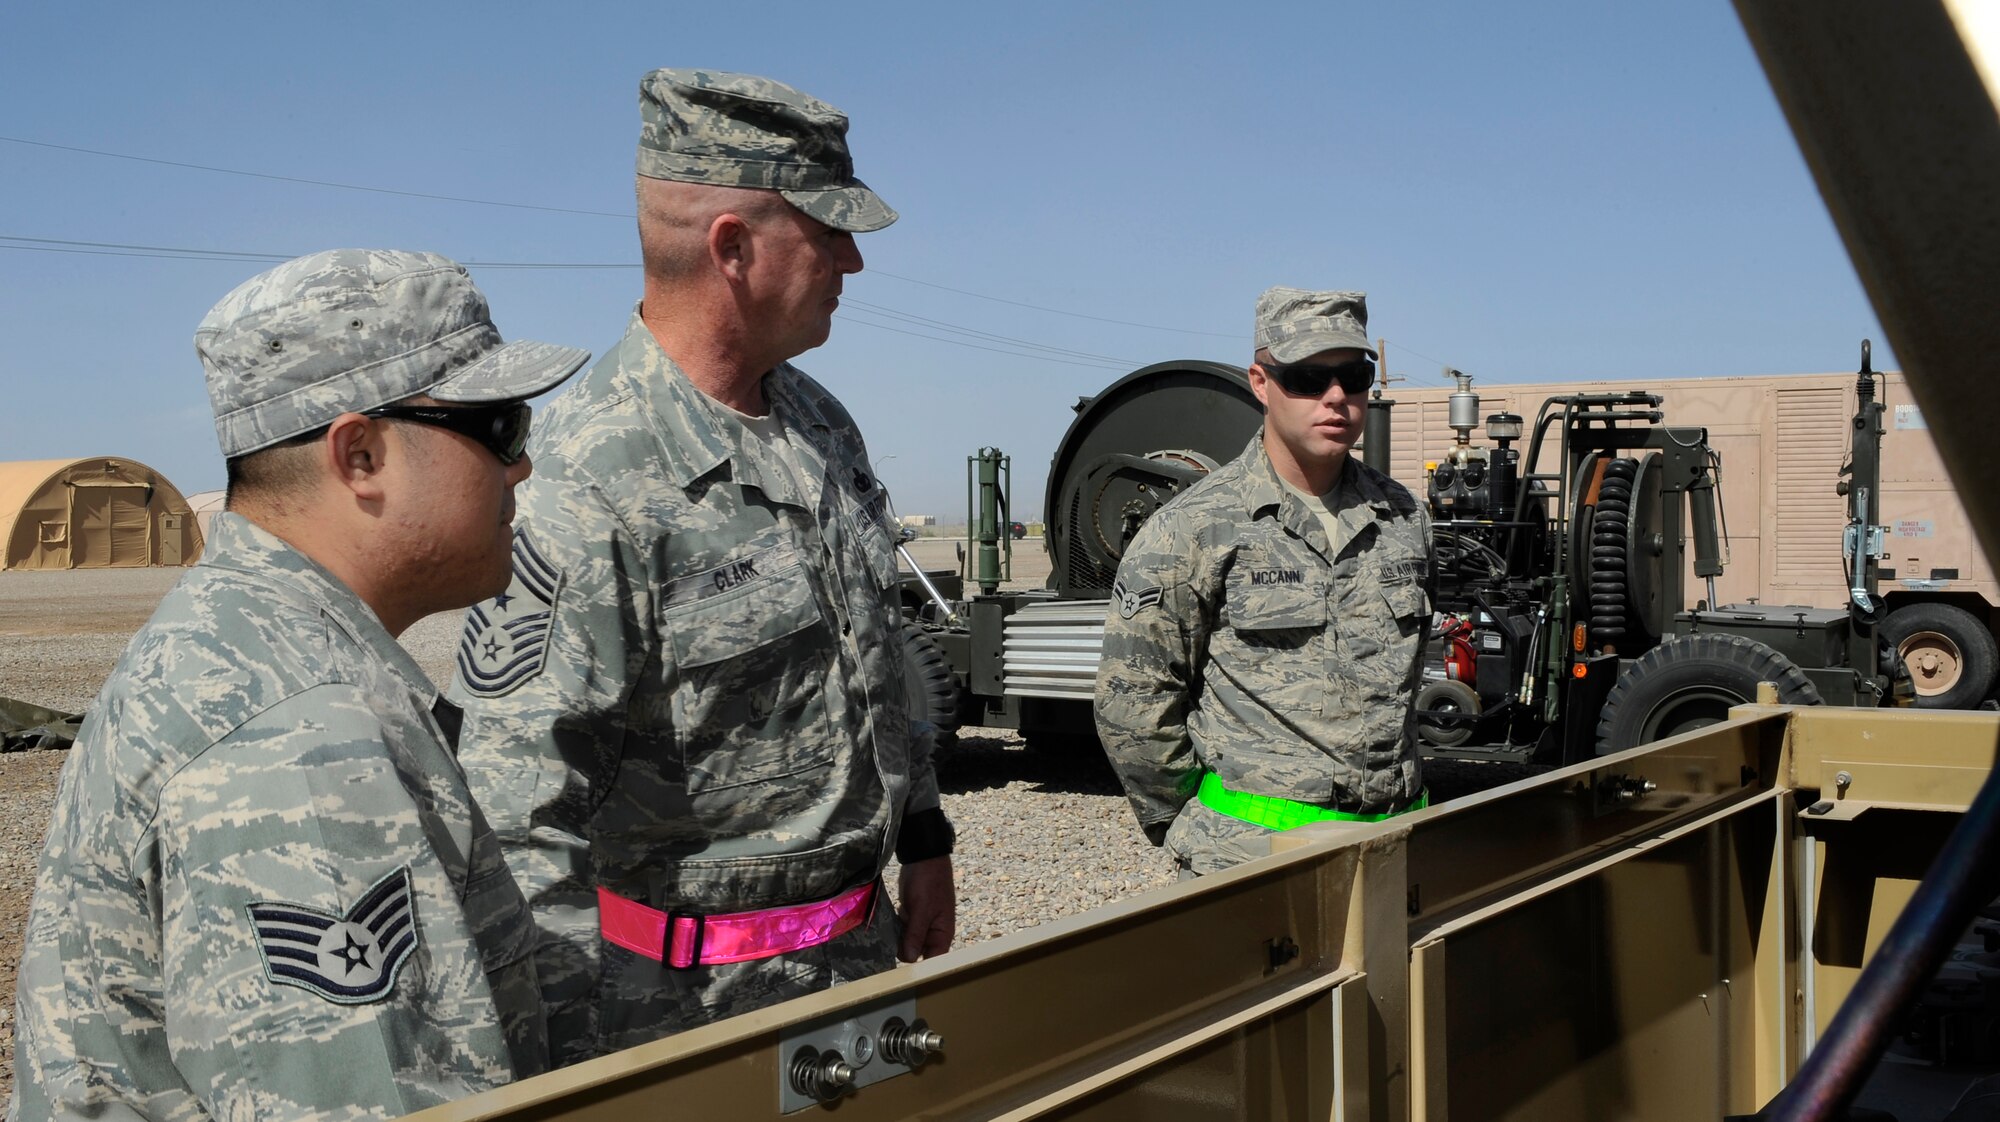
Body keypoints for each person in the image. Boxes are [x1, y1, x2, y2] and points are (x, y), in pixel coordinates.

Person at [446, 68, 955, 1063]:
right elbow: (511, 822)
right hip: (683, 1016)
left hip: (854, 971)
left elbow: (875, 654)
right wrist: (582, 1065)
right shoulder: (587, 478)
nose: (853, 260)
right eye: (829, 229)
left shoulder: (815, 419)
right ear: (733, 248)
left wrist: (924, 837)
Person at [10, 249, 589, 1121]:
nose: (522, 468)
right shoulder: (303, 737)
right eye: (499, 426)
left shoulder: (250, 643)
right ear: (359, 454)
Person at [1094, 287, 1432, 876]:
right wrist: (1191, 825)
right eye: (1305, 378)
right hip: (1251, 862)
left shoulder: (1403, 517)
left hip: (1396, 851)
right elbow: (1134, 703)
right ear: (1260, 382)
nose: (1335, 398)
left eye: (1353, 377)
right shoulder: (1194, 528)